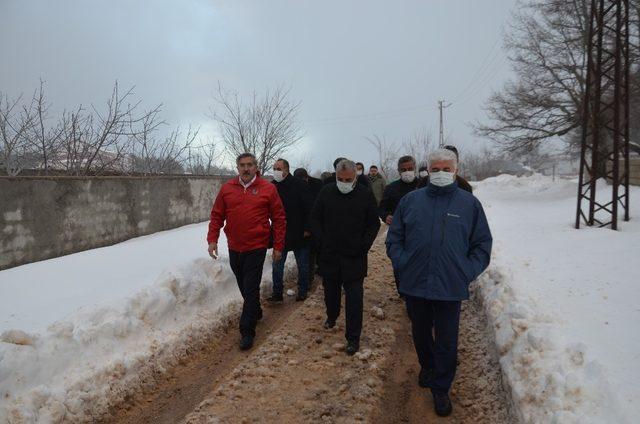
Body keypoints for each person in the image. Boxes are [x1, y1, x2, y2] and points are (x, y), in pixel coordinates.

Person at [385, 148, 492, 417]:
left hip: (450, 285)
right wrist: (403, 263)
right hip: (415, 282)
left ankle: (441, 387)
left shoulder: (469, 204)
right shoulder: (411, 201)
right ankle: (428, 366)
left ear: (455, 171)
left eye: (447, 169)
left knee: (447, 338)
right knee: (420, 332)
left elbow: (482, 244)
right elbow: (394, 238)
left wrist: (466, 270)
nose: (441, 173)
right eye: (436, 169)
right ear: (428, 171)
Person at [207, 153, 286, 351]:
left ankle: (247, 331)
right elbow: (217, 215)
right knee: (244, 285)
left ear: (256, 166)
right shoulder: (227, 189)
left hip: (256, 246)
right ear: (237, 167)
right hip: (234, 246)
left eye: (250, 165)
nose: (246, 168)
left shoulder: (268, 189)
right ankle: (256, 310)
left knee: (250, 288)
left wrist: (278, 246)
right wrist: (212, 239)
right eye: (242, 165)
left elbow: (278, 218)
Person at [311, 159, 380, 355]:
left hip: (354, 257)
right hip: (330, 254)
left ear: (355, 177)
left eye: (347, 179)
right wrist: (322, 241)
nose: (343, 182)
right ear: (335, 176)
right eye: (340, 179)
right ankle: (332, 315)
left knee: (355, 298)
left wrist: (363, 245)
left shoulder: (365, 195)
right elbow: (315, 218)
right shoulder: (326, 192)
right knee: (330, 293)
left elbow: (373, 224)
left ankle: (353, 338)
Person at [269, 159, 313, 302]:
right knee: (277, 266)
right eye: (274, 168)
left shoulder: (300, 185)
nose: (276, 171)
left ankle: (302, 290)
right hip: (280, 234)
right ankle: (277, 293)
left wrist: (308, 228)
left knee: (303, 265)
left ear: (286, 170)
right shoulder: (271, 187)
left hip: (299, 232)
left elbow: (309, 208)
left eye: (279, 168)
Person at [293, 167, 323, 280]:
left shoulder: (317, 184)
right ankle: (308, 278)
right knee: (307, 252)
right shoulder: (294, 185)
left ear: (306, 178)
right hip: (302, 223)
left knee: (317, 248)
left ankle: (319, 269)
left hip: (317, 221)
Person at [378, 155, 421, 225]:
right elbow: (381, 208)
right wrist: (385, 216)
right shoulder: (390, 188)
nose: (407, 172)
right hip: (398, 228)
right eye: (403, 170)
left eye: (410, 169)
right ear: (399, 171)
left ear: (415, 168)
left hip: (420, 227)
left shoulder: (423, 186)